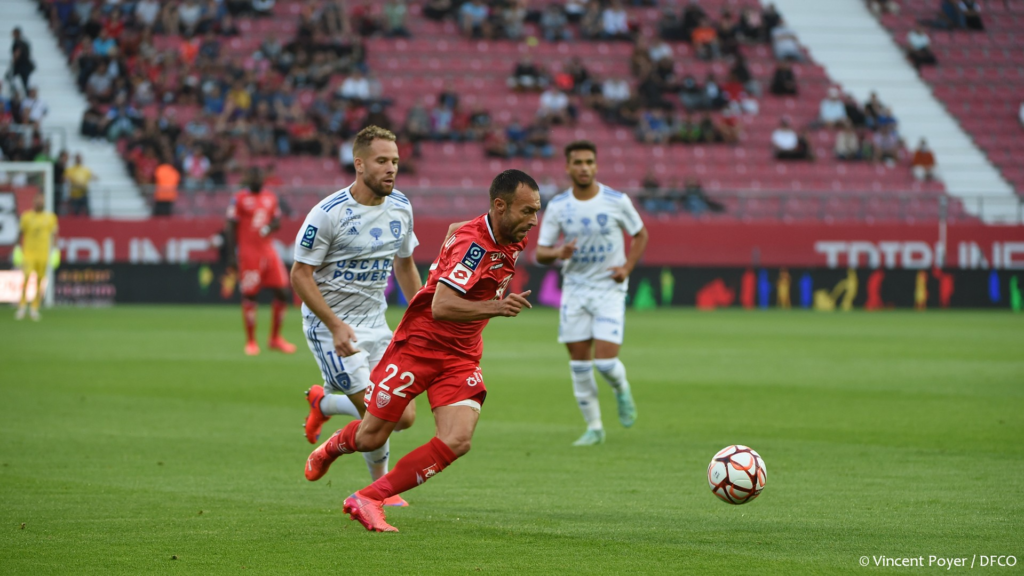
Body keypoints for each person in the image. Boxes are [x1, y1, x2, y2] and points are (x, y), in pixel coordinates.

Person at [303, 169, 540, 533]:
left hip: (460, 356)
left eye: (536, 211)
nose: (533, 220)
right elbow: (441, 306)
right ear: (499, 206)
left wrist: (453, 243)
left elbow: (454, 230)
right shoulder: (474, 247)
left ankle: (368, 497)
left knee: (458, 439)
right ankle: (331, 447)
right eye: (527, 211)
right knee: (371, 437)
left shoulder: (504, 231)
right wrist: (495, 306)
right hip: (419, 348)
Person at [290, 125, 423, 505]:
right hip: (330, 327)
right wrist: (333, 324)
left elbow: (405, 265)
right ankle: (378, 491)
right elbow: (299, 274)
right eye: (382, 161)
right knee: (381, 414)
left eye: (395, 161)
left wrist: (421, 316)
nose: (391, 169)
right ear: (359, 163)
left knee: (406, 417)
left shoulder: (401, 205)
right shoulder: (328, 214)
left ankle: (323, 404)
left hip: (376, 324)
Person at [535, 141, 649, 446]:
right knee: (579, 364)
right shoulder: (559, 206)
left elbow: (640, 233)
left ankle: (621, 389)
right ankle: (594, 427)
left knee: (607, 363)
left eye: (589, 162)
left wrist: (627, 267)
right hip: (574, 291)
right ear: (567, 167)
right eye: (578, 162)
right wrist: (559, 251)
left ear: (596, 166)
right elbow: (541, 252)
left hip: (609, 289)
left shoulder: (616, 200)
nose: (584, 167)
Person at [225, 167, 296, 356]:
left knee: (282, 291)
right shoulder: (239, 198)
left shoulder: (271, 197)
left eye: (259, 176)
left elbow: (277, 221)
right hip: (248, 253)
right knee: (250, 295)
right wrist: (232, 255)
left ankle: (275, 338)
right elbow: (231, 227)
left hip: (268, 251)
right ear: (247, 179)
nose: (256, 179)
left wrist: (270, 227)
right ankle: (251, 341)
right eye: (253, 176)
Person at [14, 194, 58, 321]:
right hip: (29, 253)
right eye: (38, 201)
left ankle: (34, 308)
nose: (40, 202)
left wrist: (55, 250)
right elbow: (20, 232)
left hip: (43, 254)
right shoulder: (26, 216)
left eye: (42, 200)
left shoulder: (51, 217)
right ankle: (22, 306)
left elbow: (54, 234)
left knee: (40, 281)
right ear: (34, 202)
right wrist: (17, 248)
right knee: (27, 277)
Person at [10, 28, 35, 95]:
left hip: (20, 66)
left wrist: (14, 61)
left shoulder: (17, 42)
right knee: (25, 83)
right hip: (26, 66)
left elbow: (17, 52)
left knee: (14, 81)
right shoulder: (24, 42)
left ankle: (17, 95)